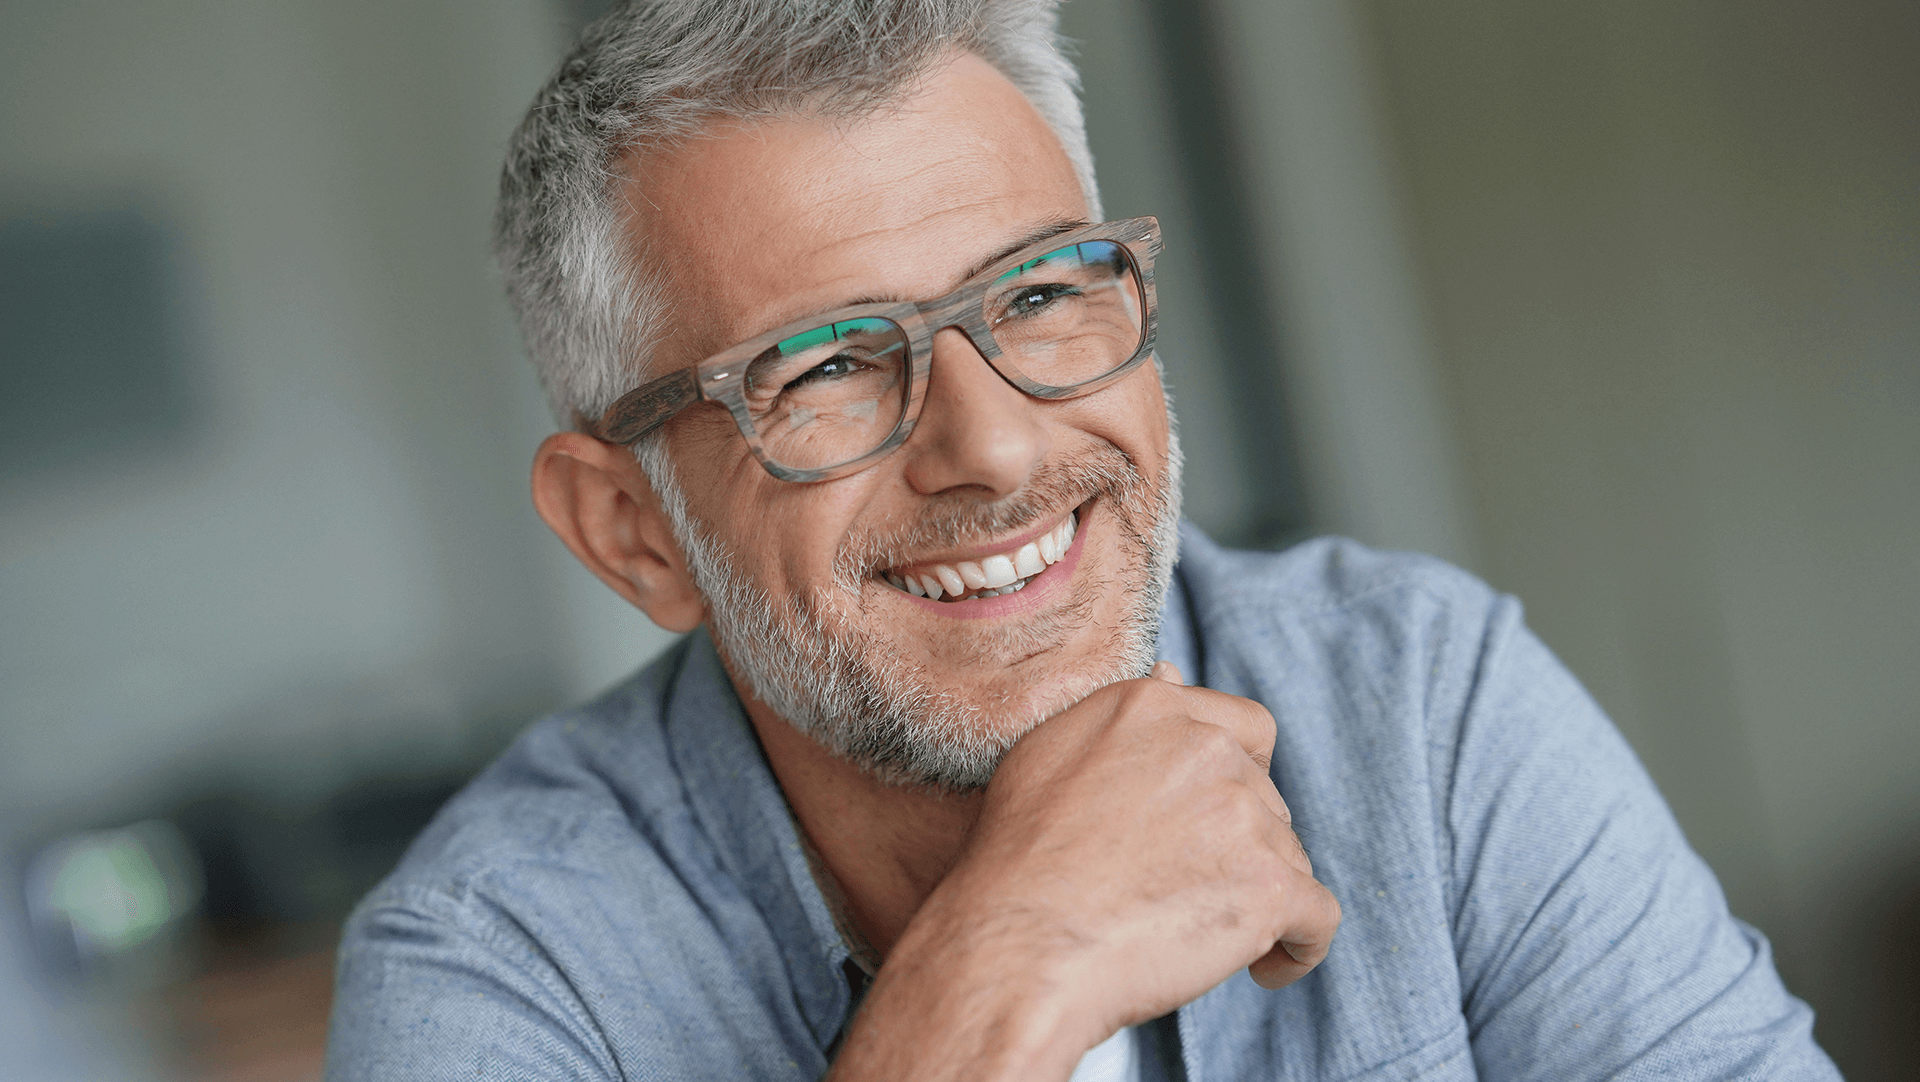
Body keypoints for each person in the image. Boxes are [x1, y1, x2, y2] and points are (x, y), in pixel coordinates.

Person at [325, 2, 1839, 1079]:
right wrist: (1002, 969)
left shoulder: (1419, 699)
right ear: (630, 529)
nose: (992, 443)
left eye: (1043, 292)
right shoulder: (503, 972)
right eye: (830, 365)